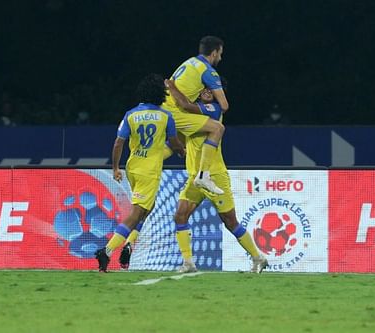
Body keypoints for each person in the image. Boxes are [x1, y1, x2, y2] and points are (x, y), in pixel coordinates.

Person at [166, 79, 268, 274]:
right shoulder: (191, 117)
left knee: (230, 222)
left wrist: (171, 87)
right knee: (180, 215)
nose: (205, 91)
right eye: (203, 87)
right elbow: (178, 139)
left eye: (210, 89)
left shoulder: (213, 110)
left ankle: (258, 257)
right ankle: (188, 263)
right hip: (196, 178)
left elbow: (184, 104)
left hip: (215, 176)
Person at [94, 73, 185, 273]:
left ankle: (129, 244)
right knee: (137, 213)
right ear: (160, 94)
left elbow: (119, 143)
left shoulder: (131, 114)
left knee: (147, 209)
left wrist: (116, 167)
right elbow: (175, 142)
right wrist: (182, 152)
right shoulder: (165, 116)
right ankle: (107, 251)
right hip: (149, 171)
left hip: (132, 167)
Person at [161, 36, 229, 195]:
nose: (220, 57)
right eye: (220, 53)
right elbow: (224, 106)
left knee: (177, 142)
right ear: (214, 53)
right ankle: (204, 175)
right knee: (218, 128)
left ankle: (147, 163)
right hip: (174, 111)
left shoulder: (190, 62)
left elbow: (187, 104)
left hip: (166, 107)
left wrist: (171, 86)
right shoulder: (209, 72)